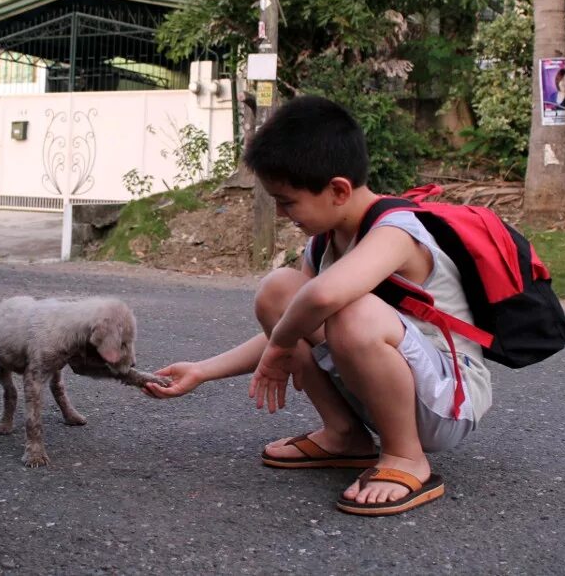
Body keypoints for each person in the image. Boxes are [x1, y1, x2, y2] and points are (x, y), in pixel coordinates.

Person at [143, 95, 491, 516]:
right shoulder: (323, 244)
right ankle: (345, 435)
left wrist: (281, 345)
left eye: (287, 201)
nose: (281, 211)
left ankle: (405, 457)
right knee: (280, 292)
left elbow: (324, 301)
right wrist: (203, 370)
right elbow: (291, 322)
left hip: (447, 400)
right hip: (387, 389)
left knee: (348, 310)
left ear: (338, 189)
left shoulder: (397, 232)